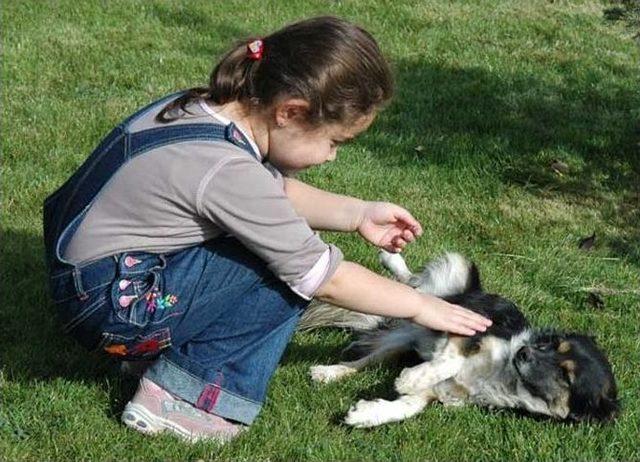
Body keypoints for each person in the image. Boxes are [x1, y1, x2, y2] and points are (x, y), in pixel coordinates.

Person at [43, 16, 492, 443]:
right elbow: (327, 278)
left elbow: (268, 198)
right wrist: (421, 305)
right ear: (291, 112)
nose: (332, 156)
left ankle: (160, 355)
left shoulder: (206, 109)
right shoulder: (225, 170)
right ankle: (185, 398)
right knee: (290, 267)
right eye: (334, 142)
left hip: (94, 279)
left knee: (276, 245)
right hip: (117, 308)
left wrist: (357, 213)